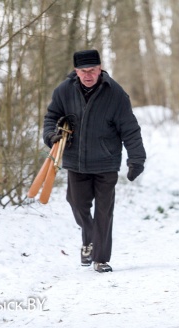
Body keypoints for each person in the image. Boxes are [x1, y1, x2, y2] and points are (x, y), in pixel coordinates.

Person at [43, 49, 146, 273]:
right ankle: (89, 235)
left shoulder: (115, 93)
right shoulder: (63, 91)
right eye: (83, 71)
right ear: (75, 71)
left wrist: (136, 159)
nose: (88, 75)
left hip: (106, 162)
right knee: (76, 203)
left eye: (92, 70)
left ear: (100, 69)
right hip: (76, 161)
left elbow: (129, 128)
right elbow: (51, 117)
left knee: (103, 211)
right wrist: (51, 136)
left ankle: (100, 258)